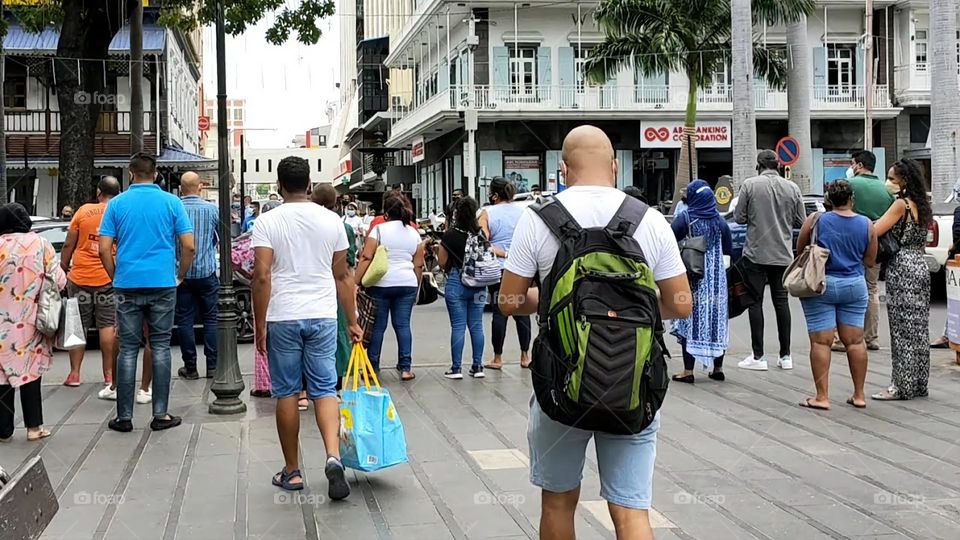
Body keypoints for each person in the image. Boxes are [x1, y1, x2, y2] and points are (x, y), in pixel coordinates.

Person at [498, 125, 690, 539]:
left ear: (563, 169)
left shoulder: (538, 220)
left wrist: (555, 301)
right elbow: (679, 304)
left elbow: (508, 303)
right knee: (631, 510)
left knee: (558, 501)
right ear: (615, 167)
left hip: (560, 385)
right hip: (632, 383)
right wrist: (628, 312)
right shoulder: (651, 221)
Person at [251, 156, 361, 498]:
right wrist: (353, 321)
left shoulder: (266, 222)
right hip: (324, 314)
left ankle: (292, 471)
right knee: (325, 389)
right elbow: (343, 276)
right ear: (309, 184)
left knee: (286, 391)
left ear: (279, 185)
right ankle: (332, 457)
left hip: (283, 315)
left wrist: (259, 324)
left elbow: (262, 276)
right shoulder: (333, 221)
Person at [99, 153, 195, 433]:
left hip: (127, 283)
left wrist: (115, 275)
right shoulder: (171, 202)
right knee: (161, 345)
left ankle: (124, 417)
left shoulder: (116, 204)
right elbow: (188, 246)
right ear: (155, 174)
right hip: (163, 283)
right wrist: (180, 275)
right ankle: (161, 414)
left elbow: (104, 248)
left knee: (128, 348)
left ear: (130, 174)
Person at [795, 181, 877, 410]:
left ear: (828, 200)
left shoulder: (815, 220)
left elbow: (801, 249)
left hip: (821, 285)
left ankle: (822, 397)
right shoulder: (866, 224)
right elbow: (870, 261)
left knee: (821, 342)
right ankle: (859, 395)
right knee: (855, 341)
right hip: (854, 285)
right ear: (852, 198)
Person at [0, 203, 66, 442]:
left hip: (1, 324)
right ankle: (34, 427)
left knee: (1, 375)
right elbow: (58, 280)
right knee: (31, 373)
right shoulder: (41, 244)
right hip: (32, 321)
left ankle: (3, 429)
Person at [734, 150, 806, 371]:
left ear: (759, 165)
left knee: (755, 302)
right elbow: (801, 220)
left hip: (756, 253)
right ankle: (786, 356)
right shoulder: (792, 187)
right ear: (778, 165)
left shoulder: (750, 185)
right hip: (783, 254)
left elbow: (739, 217)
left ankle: (758, 356)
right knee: (781, 303)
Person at [872, 159, 933, 401]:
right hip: (920, 264)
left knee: (901, 330)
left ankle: (901, 385)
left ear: (904, 181)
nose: (888, 183)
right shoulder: (922, 204)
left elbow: (876, 230)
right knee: (918, 328)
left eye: (892, 179)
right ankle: (919, 383)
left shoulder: (901, 205)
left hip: (902, 267)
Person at [356, 190, 424, 381]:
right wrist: (416, 285)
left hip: (381, 284)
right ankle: (405, 368)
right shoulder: (413, 233)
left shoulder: (378, 230)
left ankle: (372, 368)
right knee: (403, 325)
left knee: (378, 327)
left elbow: (367, 257)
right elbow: (418, 263)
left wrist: (356, 281)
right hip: (407, 284)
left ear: (386, 212)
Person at [60, 177, 121, 388]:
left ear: (98, 192)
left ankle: (75, 374)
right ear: (118, 192)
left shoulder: (84, 211)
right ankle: (109, 374)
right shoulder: (119, 212)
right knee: (107, 326)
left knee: (78, 325)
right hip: (108, 277)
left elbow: (69, 243)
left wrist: (64, 265)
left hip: (79, 277)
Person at [670, 180, 732, 383]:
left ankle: (688, 371)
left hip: (692, 277)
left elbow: (669, 241)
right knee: (716, 321)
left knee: (690, 320)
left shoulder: (685, 218)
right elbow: (729, 252)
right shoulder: (720, 222)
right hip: (716, 281)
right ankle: (718, 368)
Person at [831, 150, 893, 352]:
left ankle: (842, 339)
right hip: (876, 246)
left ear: (858, 165)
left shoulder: (850, 186)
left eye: (852, 164)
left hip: (848, 246)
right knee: (871, 289)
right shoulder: (886, 192)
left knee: (846, 287)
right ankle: (871, 337)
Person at [479, 177, 531, 370]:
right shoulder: (523, 212)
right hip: (520, 268)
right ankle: (525, 356)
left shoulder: (487, 213)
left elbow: (483, 241)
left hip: (497, 268)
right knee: (521, 312)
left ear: (493, 194)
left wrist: (500, 250)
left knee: (499, 312)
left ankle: (497, 358)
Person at [312, 184, 358, 395]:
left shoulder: (306, 224)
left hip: (311, 286)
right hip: (334, 287)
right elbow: (348, 264)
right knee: (338, 333)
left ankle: (304, 390)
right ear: (336, 203)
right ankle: (335, 384)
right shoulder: (342, 227)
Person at [175, 172, 220, 380]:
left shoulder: (174, 208)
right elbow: (220, 237)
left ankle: (190, 367)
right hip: (207, 271)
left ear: (181, 187)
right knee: (211, 318)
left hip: (181, 273)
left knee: (185, 319)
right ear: (200, 187)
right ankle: (212, 366)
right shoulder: (212, 209)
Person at [438, 196, 487, 379]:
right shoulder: (480, 234)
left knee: (458, 326)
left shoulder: (450, 234)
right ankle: (478, 366)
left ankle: (456, 368)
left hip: (457, 281)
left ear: (457, 213)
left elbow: (442, 262)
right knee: (477, 326)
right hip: (479, 284)